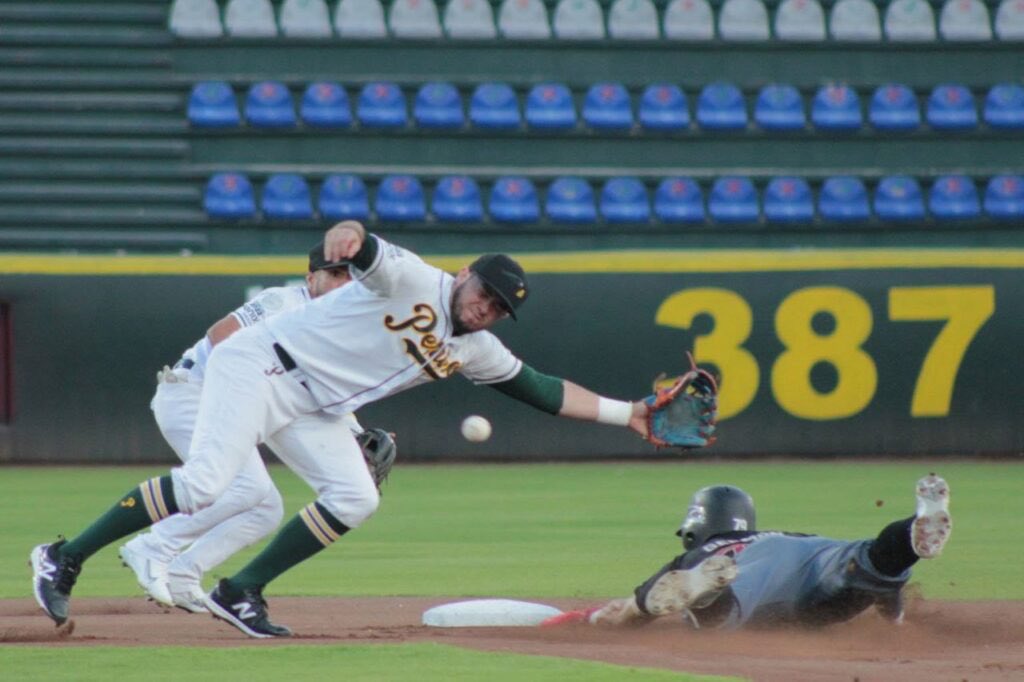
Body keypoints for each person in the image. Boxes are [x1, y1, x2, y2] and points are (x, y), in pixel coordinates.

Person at [31, 220, 660, 638]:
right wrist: (350, 236)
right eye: (485, 293)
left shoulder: (477, 348)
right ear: (467, 272)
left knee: (357, 496)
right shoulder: (414, 277)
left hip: (314, 407)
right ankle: (63, 557)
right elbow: (367, 250)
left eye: (498, 308)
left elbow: (541, 388)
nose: (485, 307)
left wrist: (628, 412)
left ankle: (241, 589)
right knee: (207, 483)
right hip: (263, 365)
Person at [117, 242, 360, 614]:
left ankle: (183, 573)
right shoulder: (284, 301)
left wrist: (354, 431)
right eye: (336, 274)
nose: (345, 283)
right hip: (191, 392)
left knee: (265, 509)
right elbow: (220, 334)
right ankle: (153, 547)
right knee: (248, 487)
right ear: (311, 278)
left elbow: (317, 390)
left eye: (351, 276)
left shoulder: (336, 328)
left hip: (216, 400)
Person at [542, 473, 952, 630]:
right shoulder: (787, 534)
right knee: (871, 564)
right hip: (813, 554)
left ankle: (707, 595)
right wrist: (894, 620)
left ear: (695, 527)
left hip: (743, 571)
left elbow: (637, 609)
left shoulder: (706, 550)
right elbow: (884, 588)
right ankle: (914, 528)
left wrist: (600, 617)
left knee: (723, 614)